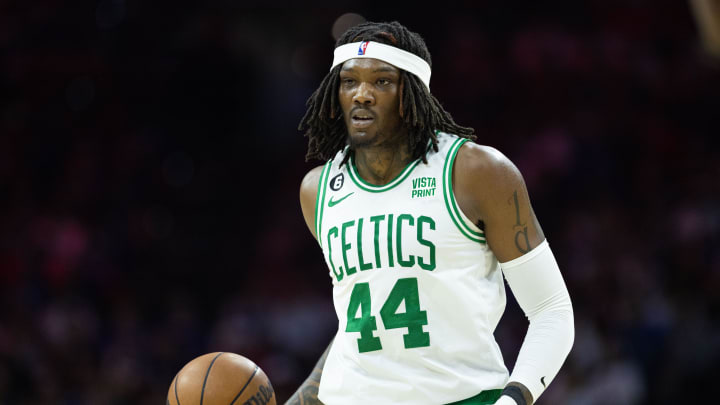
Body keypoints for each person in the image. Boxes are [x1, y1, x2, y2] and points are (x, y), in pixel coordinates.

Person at [288, 21, 574, 405]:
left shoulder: (475, 172)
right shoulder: (318, 190)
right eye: (349, 81)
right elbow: (359, 325)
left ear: (413, 93)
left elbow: (551, 310)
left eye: (382, 82)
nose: (362, 95)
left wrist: (513, 400)